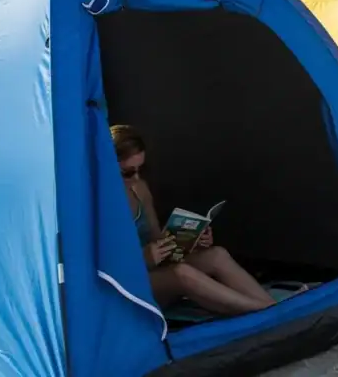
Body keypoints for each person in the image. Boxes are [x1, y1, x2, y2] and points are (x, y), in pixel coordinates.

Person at [111, 124, 277, 315]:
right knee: (180, 273)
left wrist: (188, 240)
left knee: (217, 255)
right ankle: (265, 310)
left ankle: (272, 306)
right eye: (128, 172)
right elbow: (105, 272)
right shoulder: (97, 205)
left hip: (154, 275)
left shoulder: (139, 189)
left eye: (141, 169)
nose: (136, 177)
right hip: (126, 288)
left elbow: (157, 239)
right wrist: (145, 258)